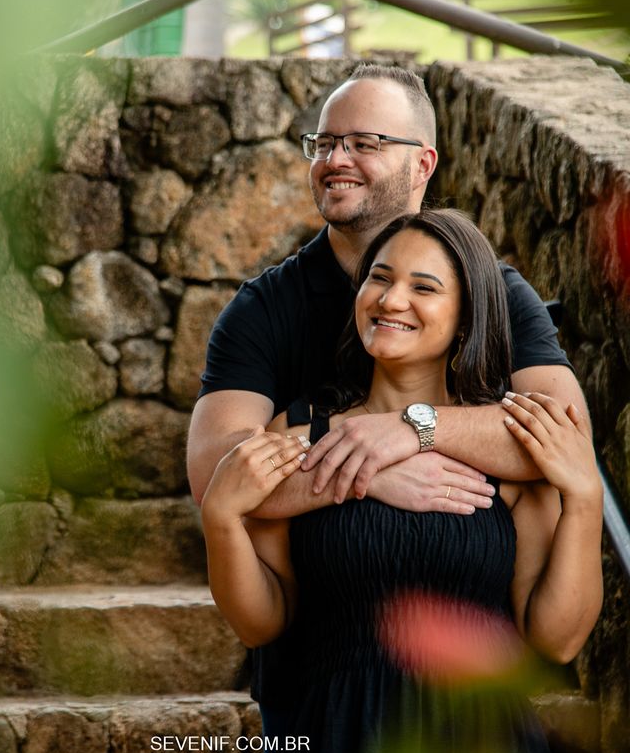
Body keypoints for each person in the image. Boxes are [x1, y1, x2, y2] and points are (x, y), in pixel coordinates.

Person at [200, 210, 603, 753]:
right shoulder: (295, 433)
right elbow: (262, 620)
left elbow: (557, 639)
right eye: (380, 278)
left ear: (464, 318)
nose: (390, 301)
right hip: (339, 733)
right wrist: (221, 520)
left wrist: (585, 498)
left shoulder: (508, 451)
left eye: (424, 287)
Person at [188, 63, 588, 519]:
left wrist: (415, 429)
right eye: (324, 144)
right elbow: (212, 471)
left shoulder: (493, 290)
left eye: (364, 144)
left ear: (423, 164)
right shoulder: (262, 308)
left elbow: (568, 437)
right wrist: (367, 474)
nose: (334, 161)